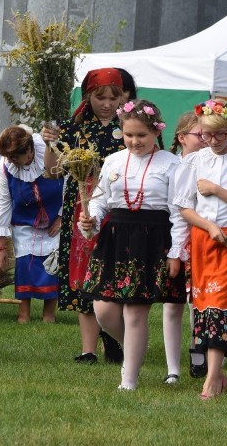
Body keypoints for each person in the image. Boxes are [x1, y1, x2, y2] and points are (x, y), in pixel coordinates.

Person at [78, 100, 184, 391]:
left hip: (152, 239)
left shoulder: (172, 164)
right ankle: (137, 345)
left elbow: (178, 211)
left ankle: (129, 379)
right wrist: (92, 220)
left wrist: (176, 251)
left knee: (135, 311)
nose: (135, 141)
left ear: (155, 132)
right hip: (115, 236)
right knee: (103, 310)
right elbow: (100, 200)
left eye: (141, 136)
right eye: (129, 135)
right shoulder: (113, 161)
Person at [174, 99, 227, 399]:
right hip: (204, 239)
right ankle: (218, 373)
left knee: (221, 304)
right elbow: (185, 207)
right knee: (204, 306)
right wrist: (208, 227)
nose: (212, 141)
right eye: (206, 135)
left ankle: (211, 378)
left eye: (219, 135)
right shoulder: (196, 160)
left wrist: (216, 190)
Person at [42, 67, 126, 365]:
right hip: (81, 206)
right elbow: (53, 171)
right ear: (88, 96)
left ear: (122, 97)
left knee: (112, 273)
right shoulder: (72, 127)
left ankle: (115, 341)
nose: (106, 103)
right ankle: (88, 349)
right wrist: (50, 143)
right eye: (100, 97)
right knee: (83, 274)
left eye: (112, 97)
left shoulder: (130, 126)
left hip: (118, 208)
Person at [0, 126, 63, 323]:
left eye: (16, 157)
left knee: (53, 264)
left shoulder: (51, 152)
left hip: (54, 218)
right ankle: (23, 314)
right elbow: (3, 202)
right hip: (24, 221)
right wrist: (0, 245)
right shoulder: (6, 165)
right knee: (25, 264)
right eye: (9, 157)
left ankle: (49, 315)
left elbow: (70, 184)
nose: (11, 161)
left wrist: (62, 216)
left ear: (30, 150)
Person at [165, 111, 207, 382]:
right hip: (171, 238)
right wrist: (175, 250)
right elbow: (176, 210)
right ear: (182, 138)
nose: (206, 139)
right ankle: (172, 368)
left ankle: (198, 354)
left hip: (199, 238)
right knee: (172, 304)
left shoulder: (206, 163)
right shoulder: (174, 166)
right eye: (200, 135)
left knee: (197, 301)